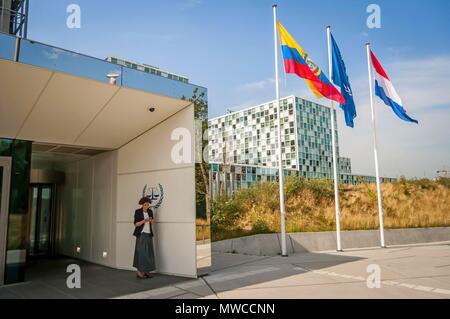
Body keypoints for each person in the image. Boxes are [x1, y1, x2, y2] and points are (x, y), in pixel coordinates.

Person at [132, 197, 156, 279]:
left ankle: (146, 272)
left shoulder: (150, 211)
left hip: (149, 234)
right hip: (141, 235)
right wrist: (144, 221)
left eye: (148, 205)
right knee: (141, 254)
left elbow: (152, 222)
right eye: (145, 205)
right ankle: (139, 273)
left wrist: (151, 221)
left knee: (148, 254)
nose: (146, 206)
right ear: (142, 204)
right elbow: (135, 224)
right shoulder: (138, 212)